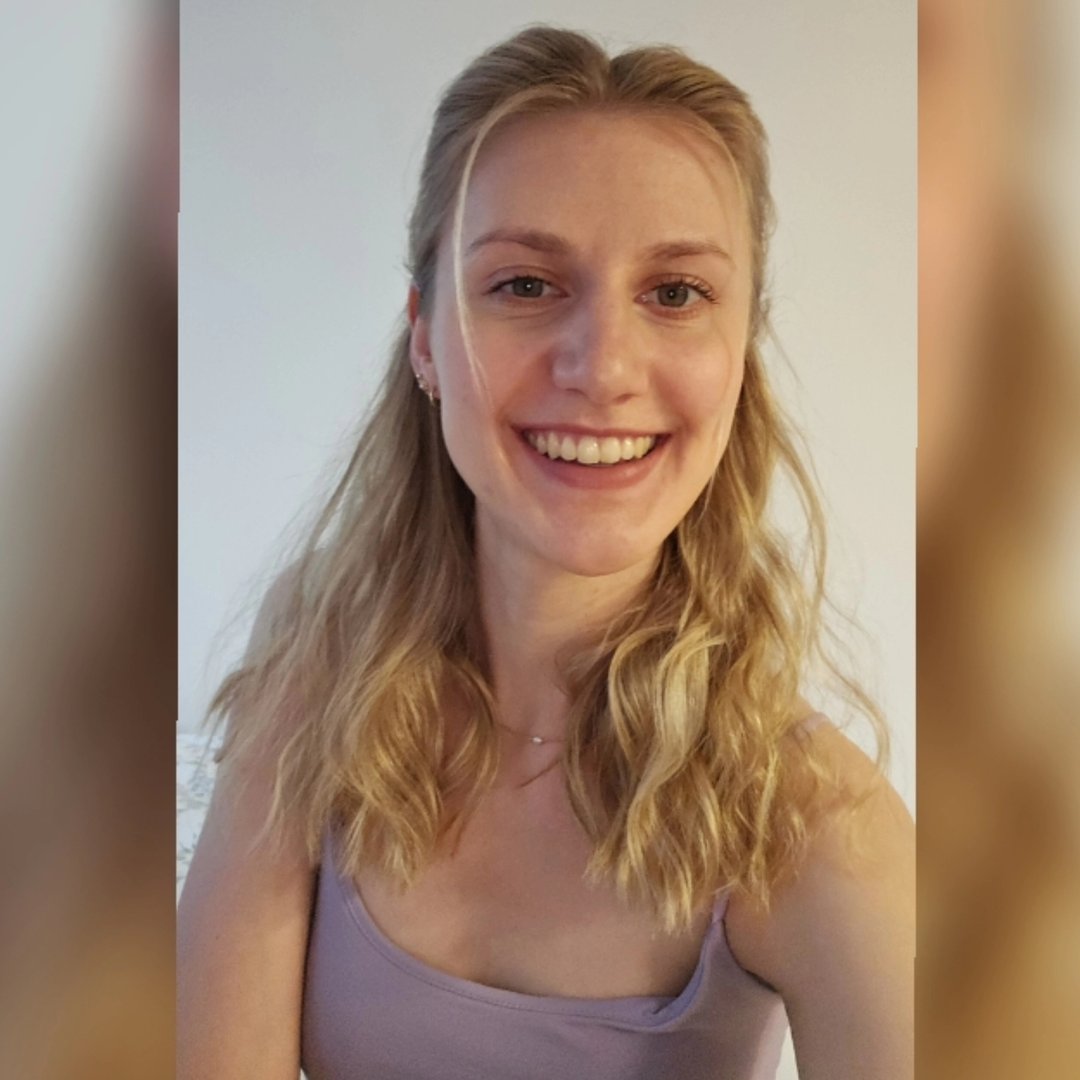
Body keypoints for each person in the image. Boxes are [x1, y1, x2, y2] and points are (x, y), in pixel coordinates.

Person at [178, 26, 913, 1080]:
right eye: (525, 284)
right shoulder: (322, 636)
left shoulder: (817, 825)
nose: (603, 368)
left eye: (675, 293)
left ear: (740, 354)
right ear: (425, 335)